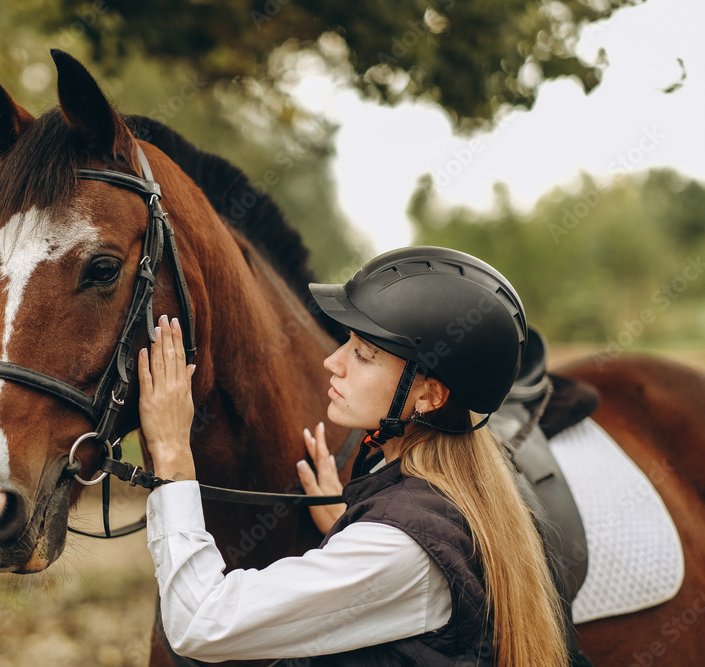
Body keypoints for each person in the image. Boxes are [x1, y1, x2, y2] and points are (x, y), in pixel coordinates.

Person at [137, 246, 569, 666]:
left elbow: (200, 623)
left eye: (364, 354)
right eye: (348, 342)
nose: (333, 362)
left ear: (429, 396)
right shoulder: (437, 498)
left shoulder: (400, 546)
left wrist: (173, 453)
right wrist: (348, 523)